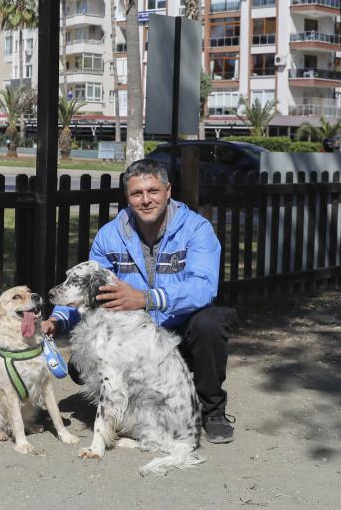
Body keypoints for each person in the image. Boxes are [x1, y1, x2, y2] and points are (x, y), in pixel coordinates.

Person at [42, 159, 237, 444]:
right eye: (137, 193)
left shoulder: (196, 229)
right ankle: (129, 413)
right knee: (79, 363)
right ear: (127, 197)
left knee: (210, 322)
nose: (146, 200)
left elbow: (203, 287)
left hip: (180, 331)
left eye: (153, 191)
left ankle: (213, 410)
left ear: (168, 190)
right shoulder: (111, 235)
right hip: (133, 338)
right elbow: (86, 285)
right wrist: (57, 320)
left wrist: (146, 298)